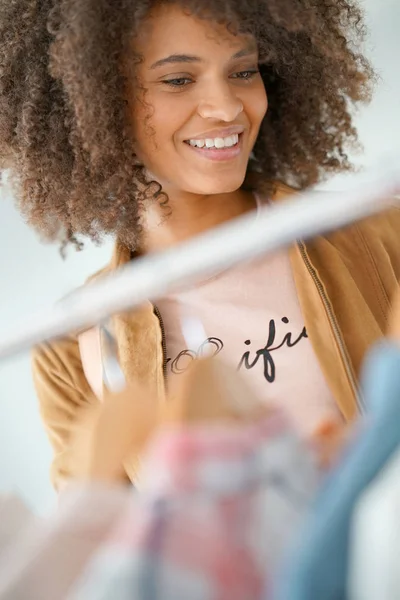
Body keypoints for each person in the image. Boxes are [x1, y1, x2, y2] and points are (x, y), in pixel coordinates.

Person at [0, 0, 399, 491]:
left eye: (243, 71)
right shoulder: (73, 343)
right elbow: (108, 542)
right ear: (92, 103)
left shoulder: (377, 230)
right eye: (178, 80)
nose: (227, 107)